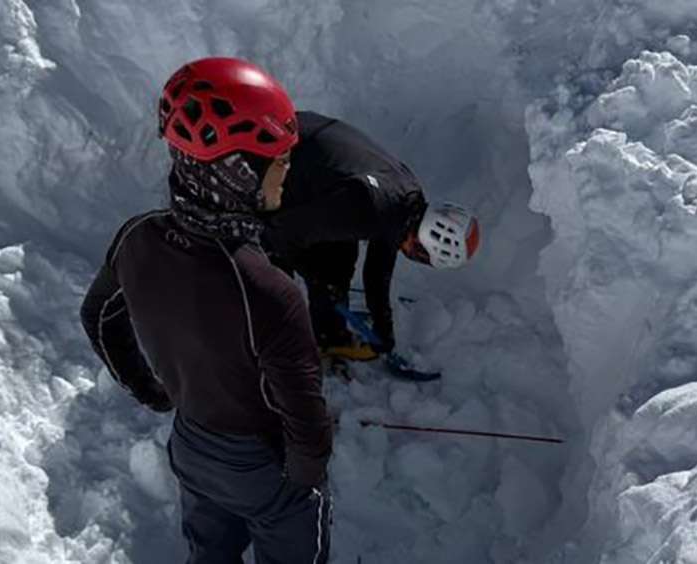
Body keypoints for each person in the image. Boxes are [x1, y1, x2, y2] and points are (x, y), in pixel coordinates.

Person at [79, 57, 331, 564]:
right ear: (238, 172)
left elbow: (99, 317)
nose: (287, 170)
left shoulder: (137, 237)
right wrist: (303, 480)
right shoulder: (266, 289)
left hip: (191, 447)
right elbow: (306, 423)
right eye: (278, 159)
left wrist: (153, 392)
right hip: (259, 462)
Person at [262, 110, 481, 362]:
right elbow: (280, 232)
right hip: (267, 157)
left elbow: (378, 267)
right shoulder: (367, 208)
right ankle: (275, 355)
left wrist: (383, 327)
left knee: (338, 256)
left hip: (295, 139)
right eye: (422, 258)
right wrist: (313, 277)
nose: (413, 258)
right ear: (421, 248)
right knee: (281, 280)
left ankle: (329, 336)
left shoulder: (406, 200)